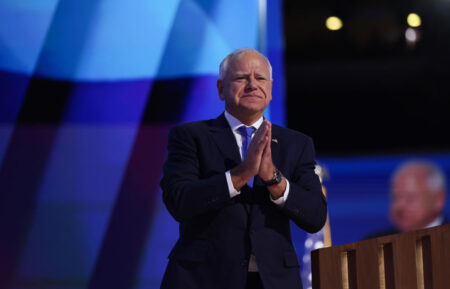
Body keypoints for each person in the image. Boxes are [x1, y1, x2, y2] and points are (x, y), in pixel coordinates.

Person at [159, 48, 327, 289]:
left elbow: (315, 216)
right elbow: (179, 201)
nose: (252, 85)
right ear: (220, 89)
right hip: (203, 279)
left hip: (274, 281)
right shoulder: (190, 137)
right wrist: (241, 174)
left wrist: (274, 179)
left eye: (260, 78)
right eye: (240, 78)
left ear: (270, 89)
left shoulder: (296, 144)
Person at [365, 160, 447, 239]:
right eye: (395, 198)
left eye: (410, 198)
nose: (400, 205)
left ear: (438, 199)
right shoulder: (374, 244)